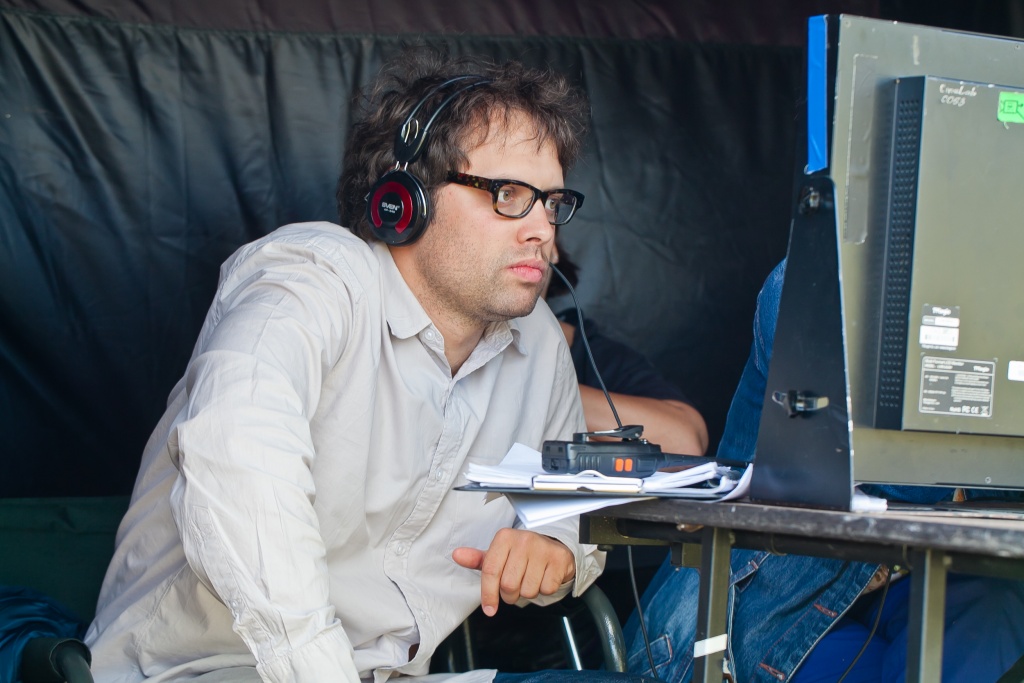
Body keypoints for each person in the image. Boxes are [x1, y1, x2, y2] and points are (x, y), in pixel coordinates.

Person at [84, 49, 654, 683]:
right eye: (509, 195)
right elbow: (238, 461)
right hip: (200, 670)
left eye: (552, 202)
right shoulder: (308, 281)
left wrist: (557, 547)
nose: (542, 230)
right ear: (402, 200)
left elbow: (570, 501)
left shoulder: (539, 341)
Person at [622, 258, 1024, 682]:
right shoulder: (814, 271)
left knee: (993, 612)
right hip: (772, 600)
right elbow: (894, 466)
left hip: (919, 583)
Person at [546, 244, 708, 456]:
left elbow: (684, 442)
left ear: (553, 249)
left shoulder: (595, 354)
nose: (533, 234)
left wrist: (542, 390)